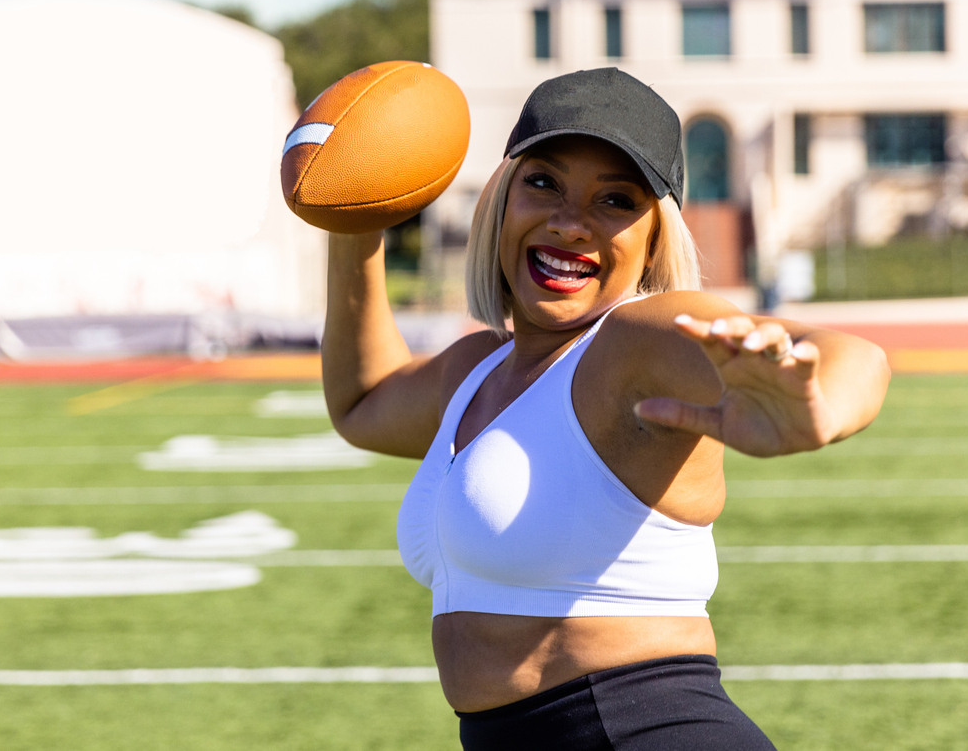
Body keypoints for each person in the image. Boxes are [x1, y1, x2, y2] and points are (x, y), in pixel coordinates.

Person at [321, 68, 890, 750]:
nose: (569, 222)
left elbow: (858, 354)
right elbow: (363, 400)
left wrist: (820, 403)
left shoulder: (635, 341)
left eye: (616, 200)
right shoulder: (477, 370)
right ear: (501, 200)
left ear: (656, 239)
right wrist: (354, 220)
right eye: (543, 183)